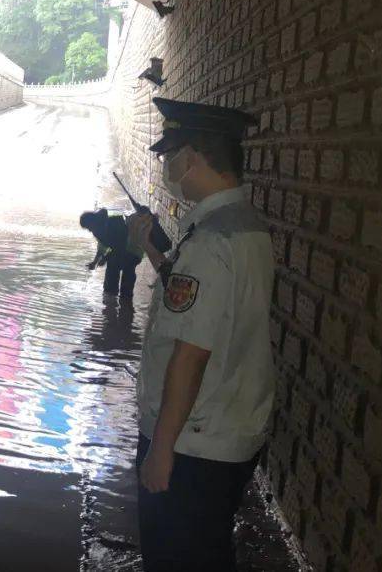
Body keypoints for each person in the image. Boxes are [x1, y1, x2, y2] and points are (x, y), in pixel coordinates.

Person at [127, 97, 272, 572]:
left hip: (191, 442)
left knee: (174, 556)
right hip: (226, 431)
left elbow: (191, 354)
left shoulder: (209, 242)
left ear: (191, 158)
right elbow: (198, 303)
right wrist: (150, 248)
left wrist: (160, 450)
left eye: (172, 156)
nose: (169, 168)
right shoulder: (245, 228)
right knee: (207, 552)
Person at [80, 208, 143, 299]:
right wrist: (95, 262)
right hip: (119, 249)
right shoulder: (98, 228)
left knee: (127, 273)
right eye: (87, 229)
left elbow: (120, 244)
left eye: (89, 227)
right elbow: (102, 246)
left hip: (132, 248)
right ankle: (110, 298)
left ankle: (125, 301)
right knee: (111, 279)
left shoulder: (113, 222)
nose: (89, 230)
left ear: (93, 221)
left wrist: (105, 258)